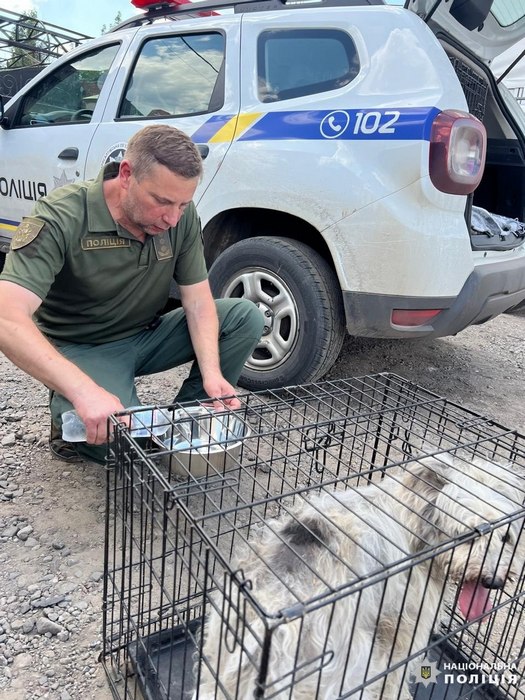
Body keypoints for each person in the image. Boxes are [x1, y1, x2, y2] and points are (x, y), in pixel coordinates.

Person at [0, 124, 264, 464]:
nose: (172, 218)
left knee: (244, 316)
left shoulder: (178, 217)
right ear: (127, 174)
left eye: (183, 204)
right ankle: (68, 404)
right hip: (84, 346)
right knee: (114, 443)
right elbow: (7, 317)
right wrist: (85, 392)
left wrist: (212, 375)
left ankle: (184, 424)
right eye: (161, 201)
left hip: (146, 334)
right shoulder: (61, 216)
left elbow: (198, 302)